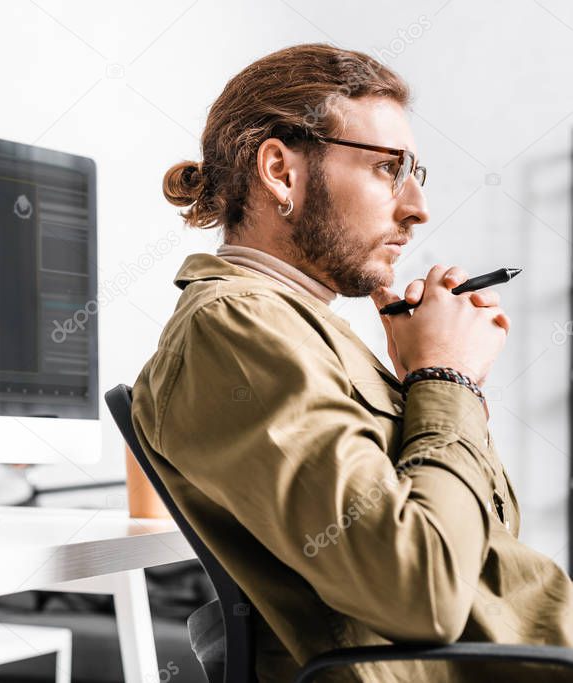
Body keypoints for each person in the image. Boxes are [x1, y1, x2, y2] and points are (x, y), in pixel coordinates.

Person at [131, 43, 573, 682]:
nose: (417, 206)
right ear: (281, 171)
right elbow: (423, 592)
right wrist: (443, 377)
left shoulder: (314, 332)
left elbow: (486, 546)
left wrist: (432, 385)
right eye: (388, 169)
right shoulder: (236, 326)